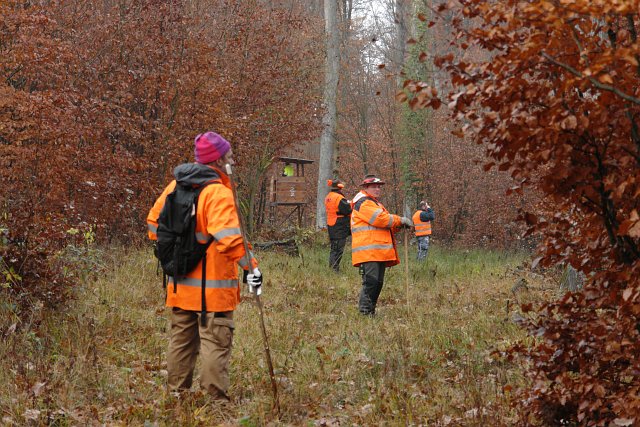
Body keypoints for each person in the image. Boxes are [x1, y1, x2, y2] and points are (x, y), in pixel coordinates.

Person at [146, 131, 261, 400]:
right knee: (215, 342)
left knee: (181, 342)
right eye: (229, 156)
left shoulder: (174, 187)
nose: (233, 160)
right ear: (218, 161)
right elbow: (230, 239)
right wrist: (252, 269)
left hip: (180, 284)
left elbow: (153, 224)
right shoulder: (217, 193)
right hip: (213, 290)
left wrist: (177, 251)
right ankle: (214, 402)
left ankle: (176, 395)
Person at [350, 174, 413, 316]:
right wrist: (400, 220)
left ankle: (370, 311)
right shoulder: (363, 202)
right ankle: (365, 312)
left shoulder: (374, 203)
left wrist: (398, 226)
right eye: (374, 187)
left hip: (377, 251)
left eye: (379, 187)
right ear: (366, 188)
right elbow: (380, 219)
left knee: (378, 283)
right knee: (371, 282)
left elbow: (385, 225)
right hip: (368, 251)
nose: (377, 189)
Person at [324, 179, 352, 272]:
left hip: (332, 225)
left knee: (334, 248)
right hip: (339, 226)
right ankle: (334, 270)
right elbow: (347, 210)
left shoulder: (328, 196)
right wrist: (351, 204)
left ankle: (332, 268)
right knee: (338, 249)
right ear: (340, 187)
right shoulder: (339, 198)